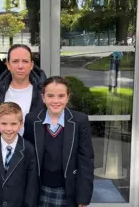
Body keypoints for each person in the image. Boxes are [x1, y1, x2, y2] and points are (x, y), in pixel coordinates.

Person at [23, 76, 94, 207]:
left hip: (68, 190)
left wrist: (83, 196)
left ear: (68, 97)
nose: (56, 101)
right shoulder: (32, 120)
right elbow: (28, 157)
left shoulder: (79, 121)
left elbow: (86, 160)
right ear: (43, 98)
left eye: (61, 96)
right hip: (40, 189)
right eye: (50, 96)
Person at [0, 102, 38, 207]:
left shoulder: (29, 149)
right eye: (4, 124)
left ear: (21, 124)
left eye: (13, 124)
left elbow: (32, 187)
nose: (8, 129)